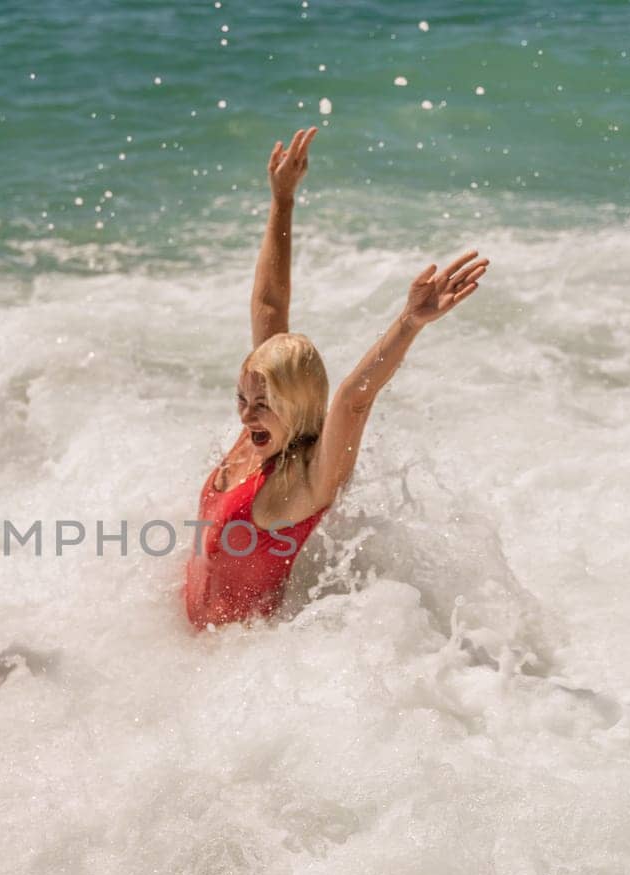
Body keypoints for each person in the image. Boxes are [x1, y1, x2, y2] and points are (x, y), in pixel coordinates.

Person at [183, 128, 489, 628]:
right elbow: (269, 305)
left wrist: (409, 322)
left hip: (235, 662)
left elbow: (353, 401)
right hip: (188, 643)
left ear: (296, 403)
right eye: (242, 397)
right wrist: (282, 200)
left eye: (262, 403)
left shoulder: (307, 476)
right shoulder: (258, 435)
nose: (246, 413)